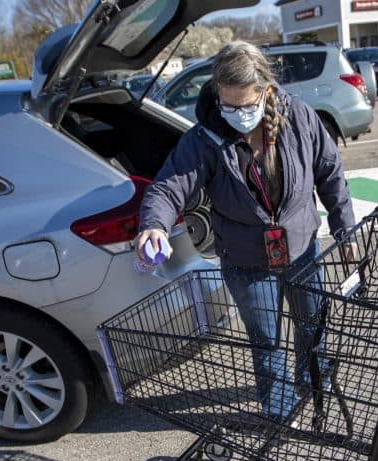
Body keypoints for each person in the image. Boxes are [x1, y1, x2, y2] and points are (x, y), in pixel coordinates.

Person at [135, 41, 356, 422]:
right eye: (229, 105)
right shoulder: (205, 139)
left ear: (266, 90)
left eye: (247, 105)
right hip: (246, 261)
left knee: (312, 328)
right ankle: (281, 413)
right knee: (266, 340)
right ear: (217, 94)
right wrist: (153, 225)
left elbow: (330, 174)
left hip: (302, 249)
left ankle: (314, 383)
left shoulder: (300, 119)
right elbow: (169, 187)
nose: (238, 114)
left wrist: (345, 230)